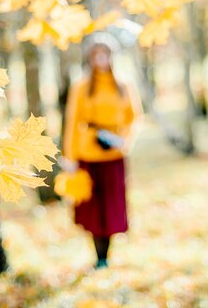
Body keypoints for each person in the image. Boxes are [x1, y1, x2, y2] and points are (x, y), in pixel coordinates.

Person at [61, 33, 142, 269]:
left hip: (114, 155)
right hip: (88, 154)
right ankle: (99, 257)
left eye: (104, 55)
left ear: (111, 56)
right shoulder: (81, 86)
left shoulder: (124, 85)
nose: (100, 60)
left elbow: (135, 118)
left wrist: (121, 141)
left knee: (112, 206)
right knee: (92, 209)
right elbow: (72, 121)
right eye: (96, 55)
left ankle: (108, 254)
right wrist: (70, 156)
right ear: (90, 58)